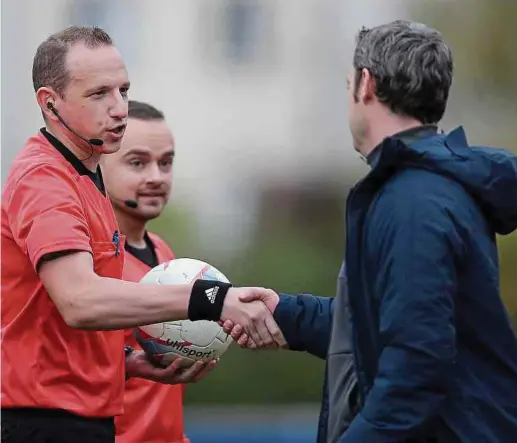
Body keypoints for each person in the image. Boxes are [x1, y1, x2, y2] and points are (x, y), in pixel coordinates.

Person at [225, 20, 517, 443]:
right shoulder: (420, 188)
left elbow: (415, 369)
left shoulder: (415, 201)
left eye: (347, 84)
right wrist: (286, 314)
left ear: (366, 84)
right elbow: (382, 327)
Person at [1, 26, 284, 443]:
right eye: (99, 94)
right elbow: (80, 301)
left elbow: (59, 328)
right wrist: (214, 299)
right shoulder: (45, 178)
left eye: (123, 91)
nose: (119, 109)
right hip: (47, 424)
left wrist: (127, 360)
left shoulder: (85, 176)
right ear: (50, 103)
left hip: (81, 420)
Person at [100, 99, 190, 443]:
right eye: (137, 163)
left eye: (165, 163)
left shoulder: (166, 254)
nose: (156, 177)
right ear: (99, 166)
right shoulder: (86, 266)